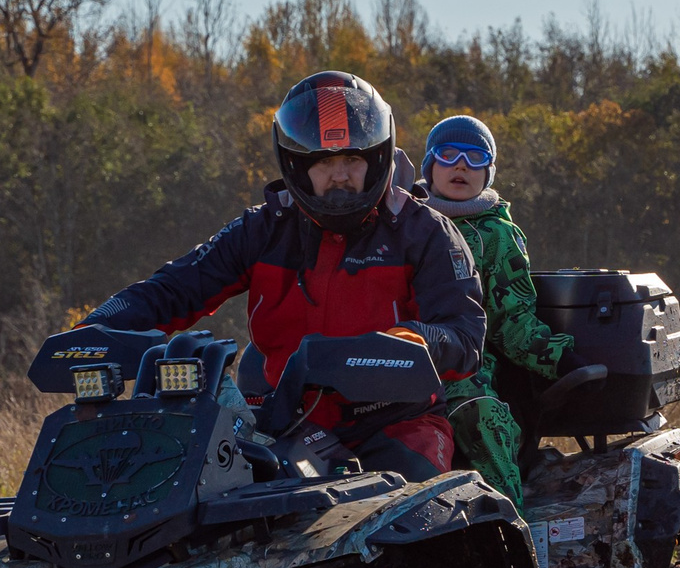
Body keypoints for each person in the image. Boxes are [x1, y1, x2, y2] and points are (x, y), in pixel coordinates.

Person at [83, 71, 484, 478]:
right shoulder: (262, 228)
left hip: (395, 423)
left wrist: (385, 348)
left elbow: (464, 337)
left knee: (412, 518)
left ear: (378, 157)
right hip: (282, 424)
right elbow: (174, 289)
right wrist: (98, 327)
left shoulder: (427, 232)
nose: (340, 175)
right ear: (297, 164)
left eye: (352, 159)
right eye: (325, 162)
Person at [413, 113, 591, 510]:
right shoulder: (403, 221)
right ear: (429, 165)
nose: (461, 165)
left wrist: (560, 357)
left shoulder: (494, 234)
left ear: (488, 172)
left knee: (478, 413)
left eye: (475, 158)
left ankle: (508, 528)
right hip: (395, 357)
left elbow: (512, 319)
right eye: (448, 154)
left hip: (465, 366)